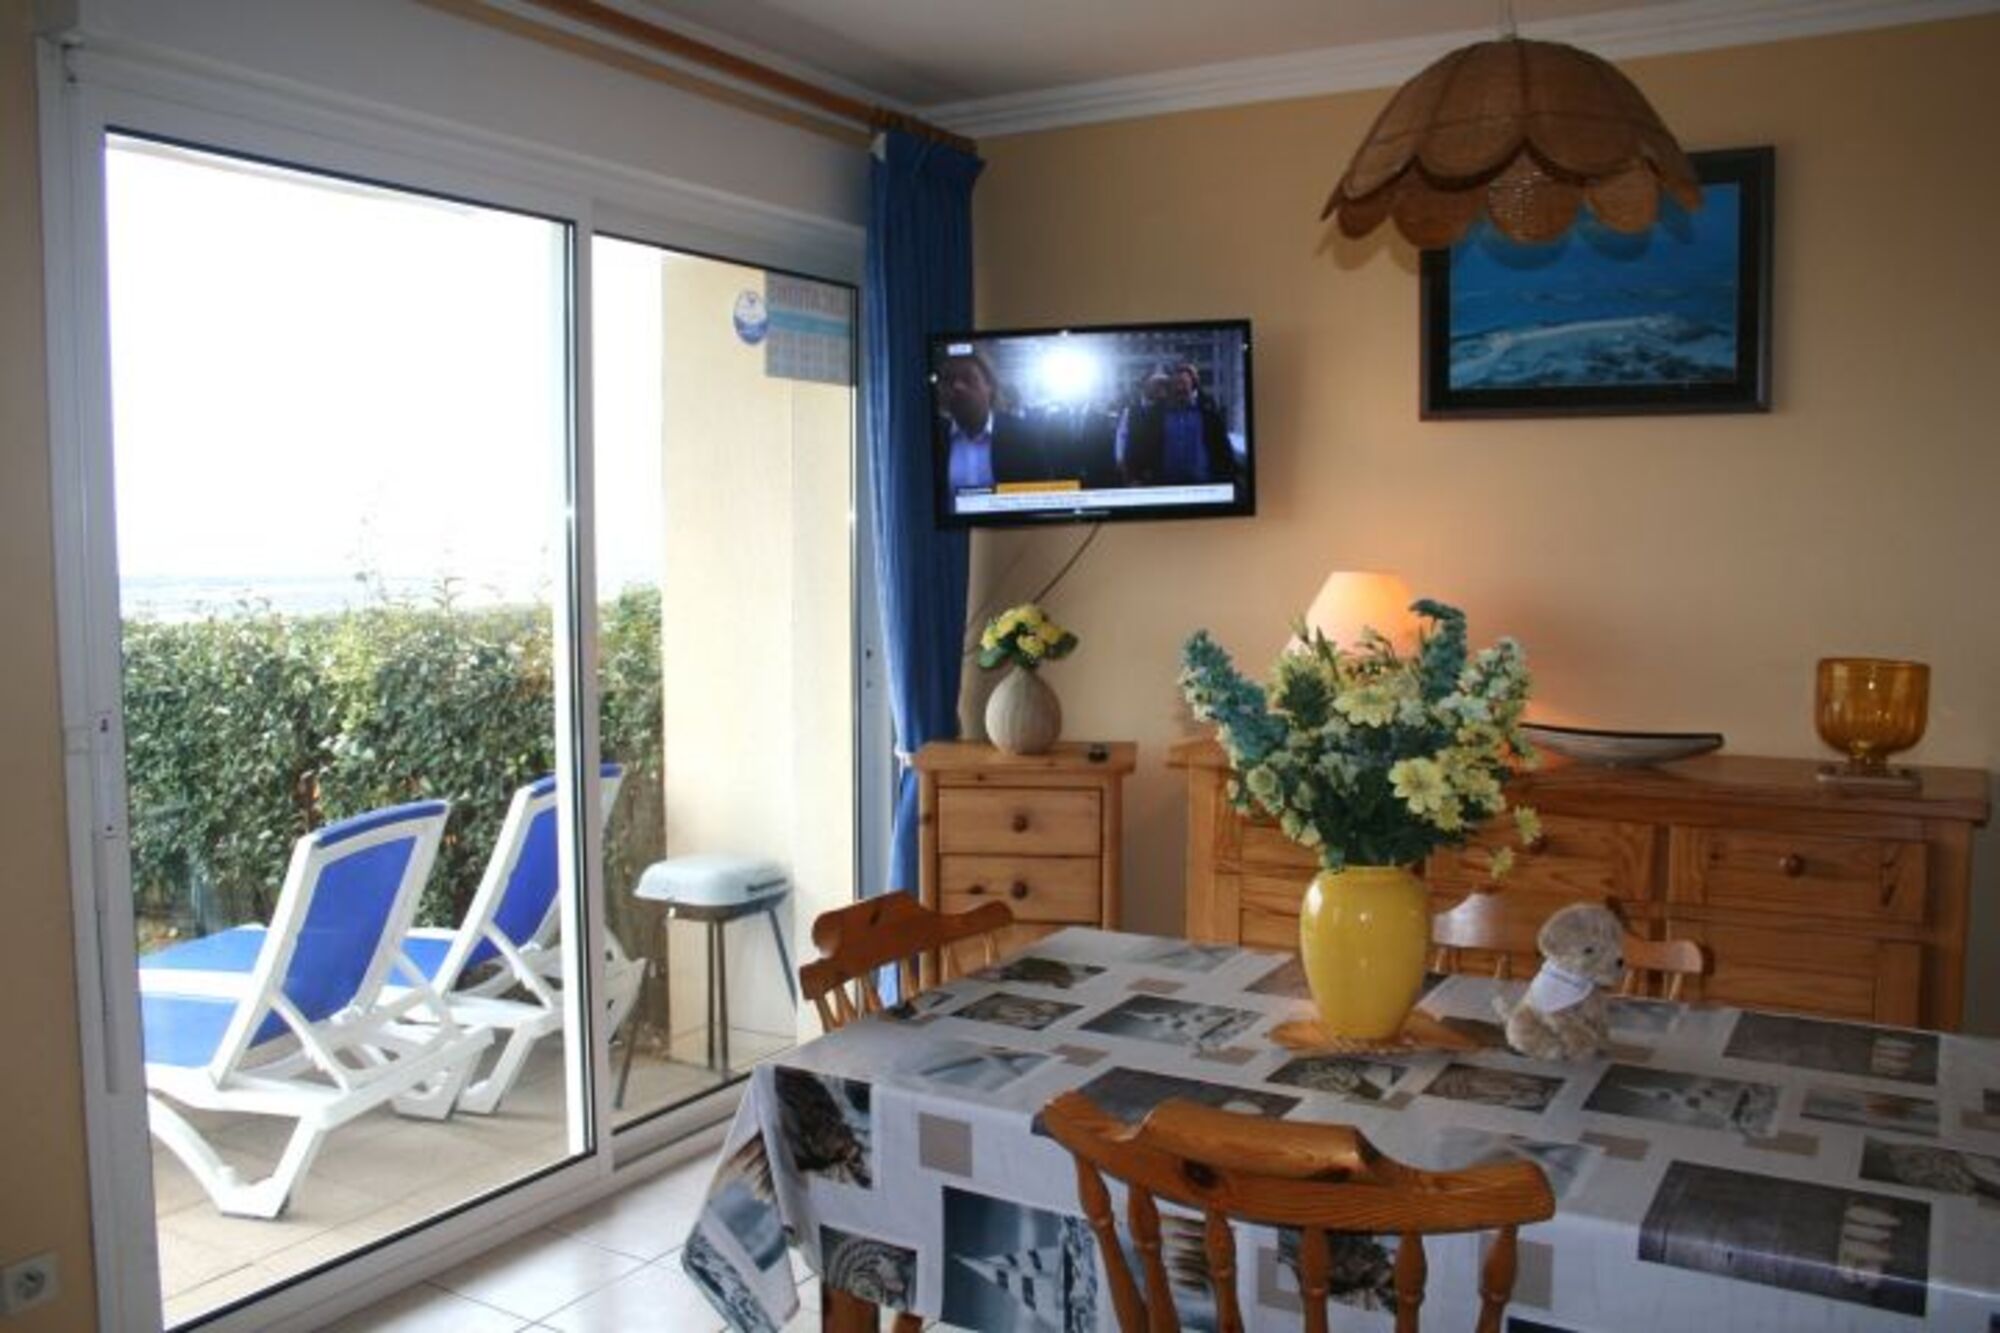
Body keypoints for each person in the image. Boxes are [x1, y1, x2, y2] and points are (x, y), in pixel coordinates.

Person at [936, 351, 1045, 495]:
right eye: (949, 380)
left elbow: (1040, 494)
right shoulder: (932, 438)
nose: (957, 387)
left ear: (989, 385)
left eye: (968, 378)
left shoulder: (1024, 435)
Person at [1116, 361, 1235, 487]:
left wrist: (1228, 479)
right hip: (1164, 486)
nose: (1180, 388)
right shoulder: (1153, 416)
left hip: (1202, 485)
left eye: (1184, 383)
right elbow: (1137, 446)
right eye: (1176, 384)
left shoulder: (1208, 414)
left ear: (1193, 386)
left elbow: (1223, 449)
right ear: (1169, 388)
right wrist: (1134, 476)